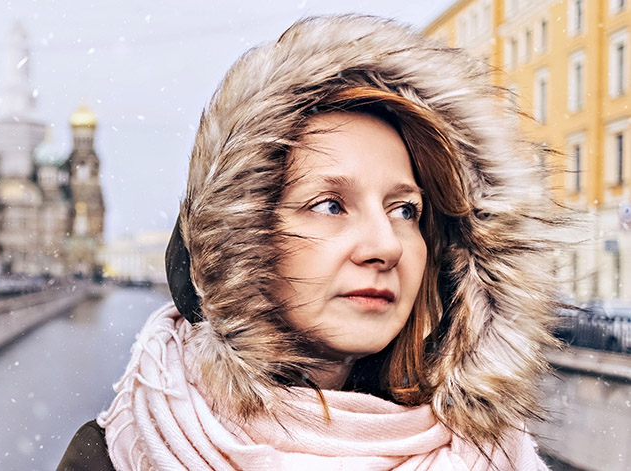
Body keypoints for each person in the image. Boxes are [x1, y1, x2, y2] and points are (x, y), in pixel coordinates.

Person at [59, 15, 572, 470]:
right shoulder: (120, 456)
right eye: (330, 204)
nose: (386, 246)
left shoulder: (495, 454)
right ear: (243, 240)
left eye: (405, 210)